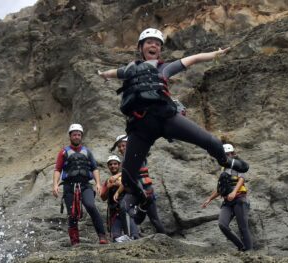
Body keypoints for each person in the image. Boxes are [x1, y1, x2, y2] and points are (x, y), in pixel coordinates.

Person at [98, 28, 249, 214]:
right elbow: (115, 72)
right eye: (149, 42)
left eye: (157, 43)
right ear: (140, 47)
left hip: (165, 118)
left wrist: (215, 54)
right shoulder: (129, 69)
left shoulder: (164, 68)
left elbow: (193, 59)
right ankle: (142, 200)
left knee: (212, 142)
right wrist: (104, 74)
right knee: (128, 178)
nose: (154, 45)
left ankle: (226, 162)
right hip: (140, 127)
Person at [52, 123, 108, 245]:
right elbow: (58, 169)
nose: (76, 136)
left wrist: (98, 183)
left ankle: (102, 236)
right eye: (74, 135)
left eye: (78, 134)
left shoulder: (87, 152)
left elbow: (94, 168)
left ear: (81, 136)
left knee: (91, 206)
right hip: (69, 186)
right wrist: (55, 185)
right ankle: (75, 242)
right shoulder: (63, 152)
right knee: (72, 214)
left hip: (85, 185)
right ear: (70, 136)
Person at [201, 144, 253, 251]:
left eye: (227, 154)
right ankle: (241, 247)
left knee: (243, 227)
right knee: (222, 224)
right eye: (224, 154)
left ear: (231, 153)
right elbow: (221, 188)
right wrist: (209, 199)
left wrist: (234, 192)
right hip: (227, 202)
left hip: (239, 199)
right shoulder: (223, 168)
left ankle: (249, 252)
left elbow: (241, 179)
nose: (226, 156)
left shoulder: (238, 163)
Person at [112, 134, 166, 235]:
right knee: (124, 207)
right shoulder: (125, 159)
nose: (121, 148)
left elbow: (131, 171)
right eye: (119, 146)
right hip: (136, 192)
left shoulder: (136, 153)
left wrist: (118, 176)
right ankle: (132, 233)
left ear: (129, 144)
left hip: (145, 190)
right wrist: (118, 192)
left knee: (154, 219)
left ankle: (167, 241)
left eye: (123, 145)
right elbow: (126, 178)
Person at [100, 155, 134, 242]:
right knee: (116, 238)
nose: (113, 166)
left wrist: (119, 185)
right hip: (114, 213)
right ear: (108, 166)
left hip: (126, 211)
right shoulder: (108, 181)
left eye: (115, 164)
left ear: (119, 165)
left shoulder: (125, 177)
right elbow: (103, 197)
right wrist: (108, 187)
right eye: (110, 164)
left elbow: (132, 190)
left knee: (132, 235)